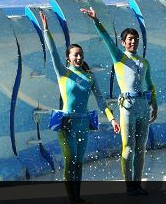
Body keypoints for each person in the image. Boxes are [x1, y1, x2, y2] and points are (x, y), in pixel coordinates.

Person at [40, 11, 120, 204]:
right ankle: (72, 197)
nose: (79, 57)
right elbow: (52, 53)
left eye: (80, 54)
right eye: (75, 55)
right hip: (66, 122)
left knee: (79, 160)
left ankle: (77, 195)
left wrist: (112, 118)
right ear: (68, 58)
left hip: (83, 122)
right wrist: (46, 30)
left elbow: (101, 100)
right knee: (70, 159)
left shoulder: (89, 77)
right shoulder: (63, 74)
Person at [81, 7, 157, 196]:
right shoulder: (119, 58)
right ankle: (128, 185)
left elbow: (150, 85)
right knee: (128, 148)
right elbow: (107, 39)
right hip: (128, 107)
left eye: (136, 39)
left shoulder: (144, 62)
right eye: (129, 39)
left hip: (143, 106)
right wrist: (96, 20)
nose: (133, 42)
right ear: (123, 43)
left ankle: (138, 184)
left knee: (141, 149)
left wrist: (154, 103)